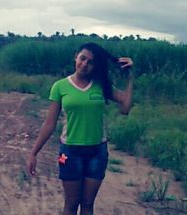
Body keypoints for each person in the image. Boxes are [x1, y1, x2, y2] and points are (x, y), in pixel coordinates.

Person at [26, 42, 134, 215]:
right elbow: (49, 124)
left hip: (97, 152)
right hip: (70, 152)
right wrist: (33, 153)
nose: (84, 64)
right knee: (71, 204)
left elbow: (125, 108)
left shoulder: (101, 86)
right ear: (75, 57)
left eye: (90, 62)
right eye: (82, 58)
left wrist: (130, 77)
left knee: (87, 204)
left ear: (95, 66)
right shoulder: (60, 86)